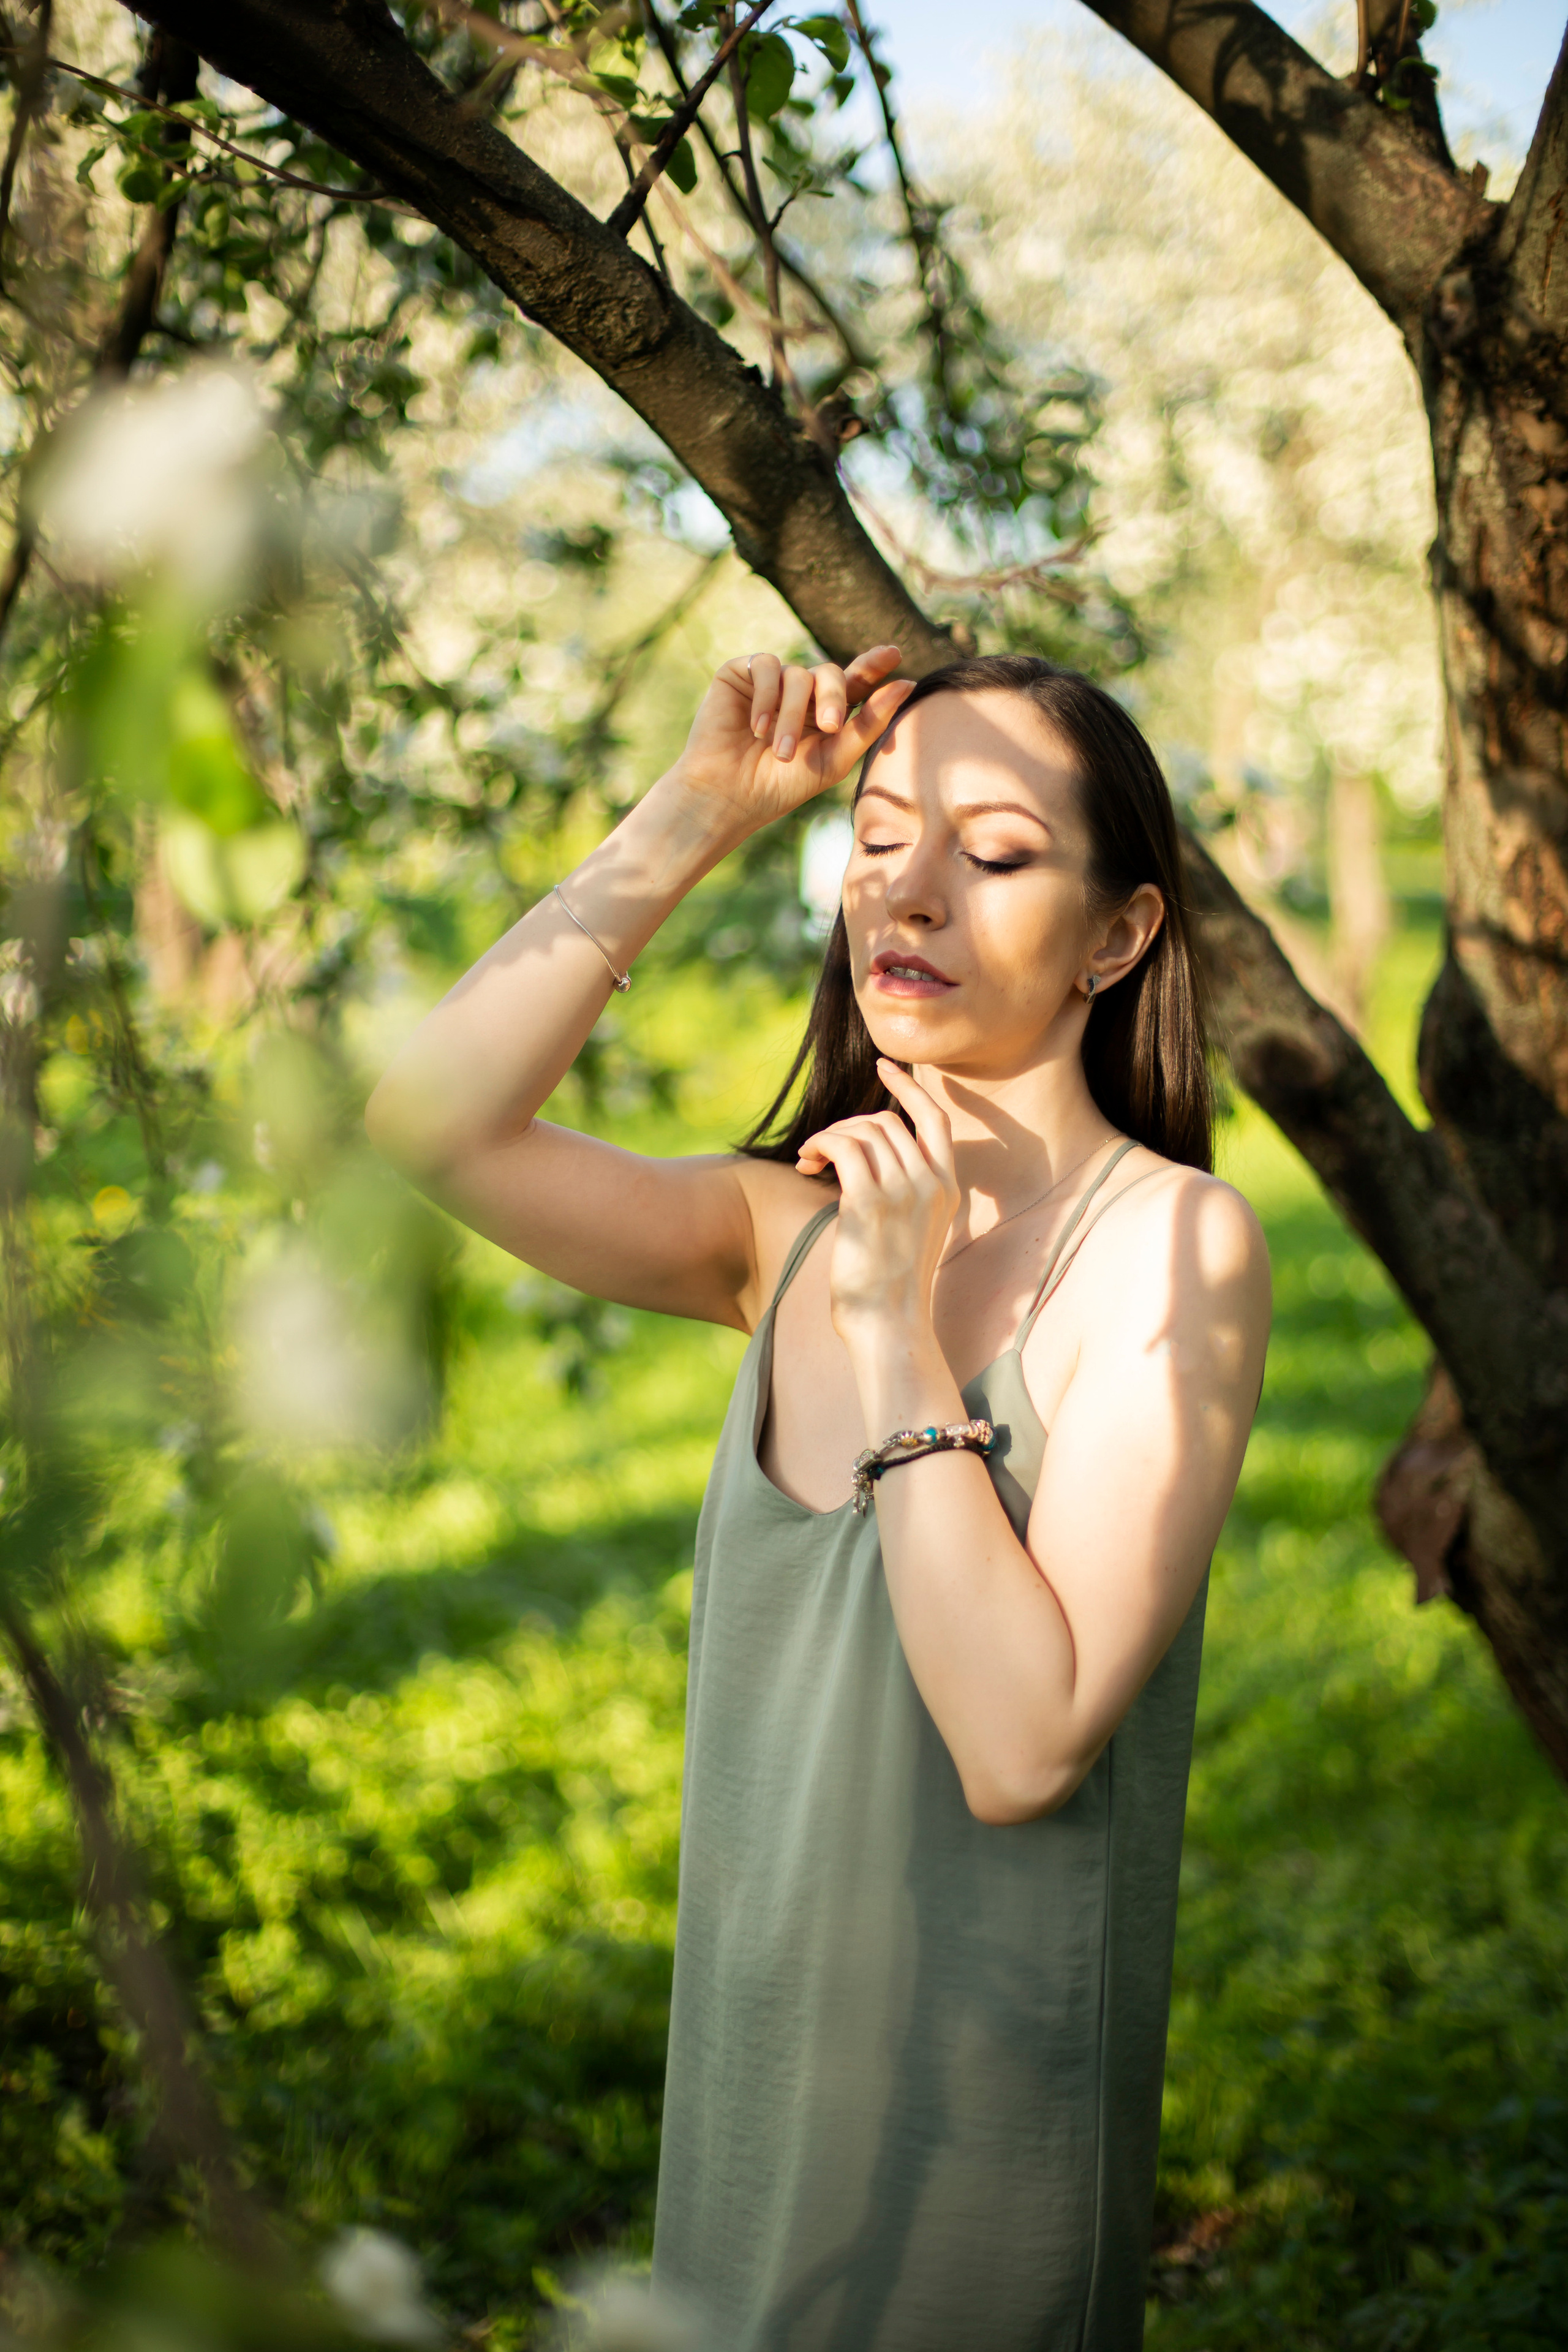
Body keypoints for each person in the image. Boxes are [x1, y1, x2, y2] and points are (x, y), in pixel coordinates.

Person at [366, 643, 1272, 2352]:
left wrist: (896, 1333)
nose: (910, 893)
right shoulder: (779, 1226)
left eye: (995, 855)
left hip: (974, 2176)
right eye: (874, 839)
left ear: (1119, 934)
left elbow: (1024, 1749)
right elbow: (429, 1125)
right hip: (746, 2122)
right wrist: (695, 811)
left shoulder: (1175, 1246)